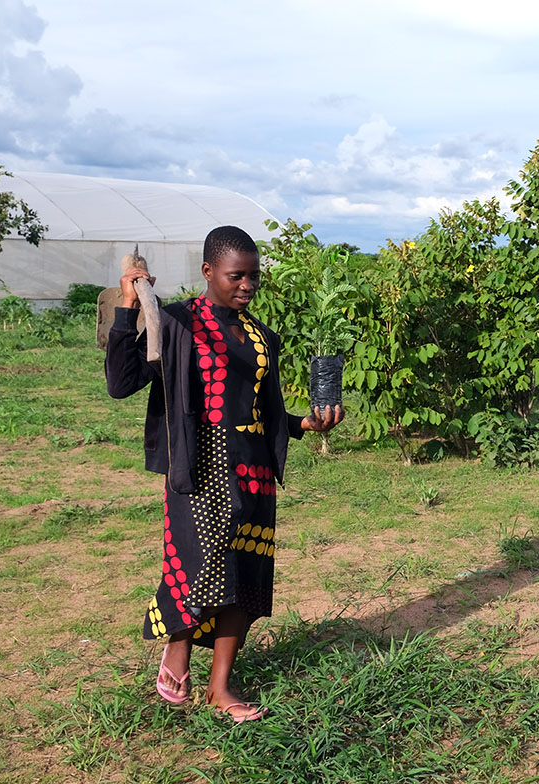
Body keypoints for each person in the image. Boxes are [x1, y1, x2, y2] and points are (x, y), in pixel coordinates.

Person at [105, 225, 343, 722]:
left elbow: (270, 411)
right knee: (198, 565)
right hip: (200, 463)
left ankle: (220, 687)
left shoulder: (261, 338)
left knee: (246, 574)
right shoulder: (175, 324)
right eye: (237, 276)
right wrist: (130, 305)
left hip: (252, 465)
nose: (247, 286)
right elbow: (122, 382)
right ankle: (178, 647)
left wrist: (307, 422)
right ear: (208, 271)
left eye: (254, 278)